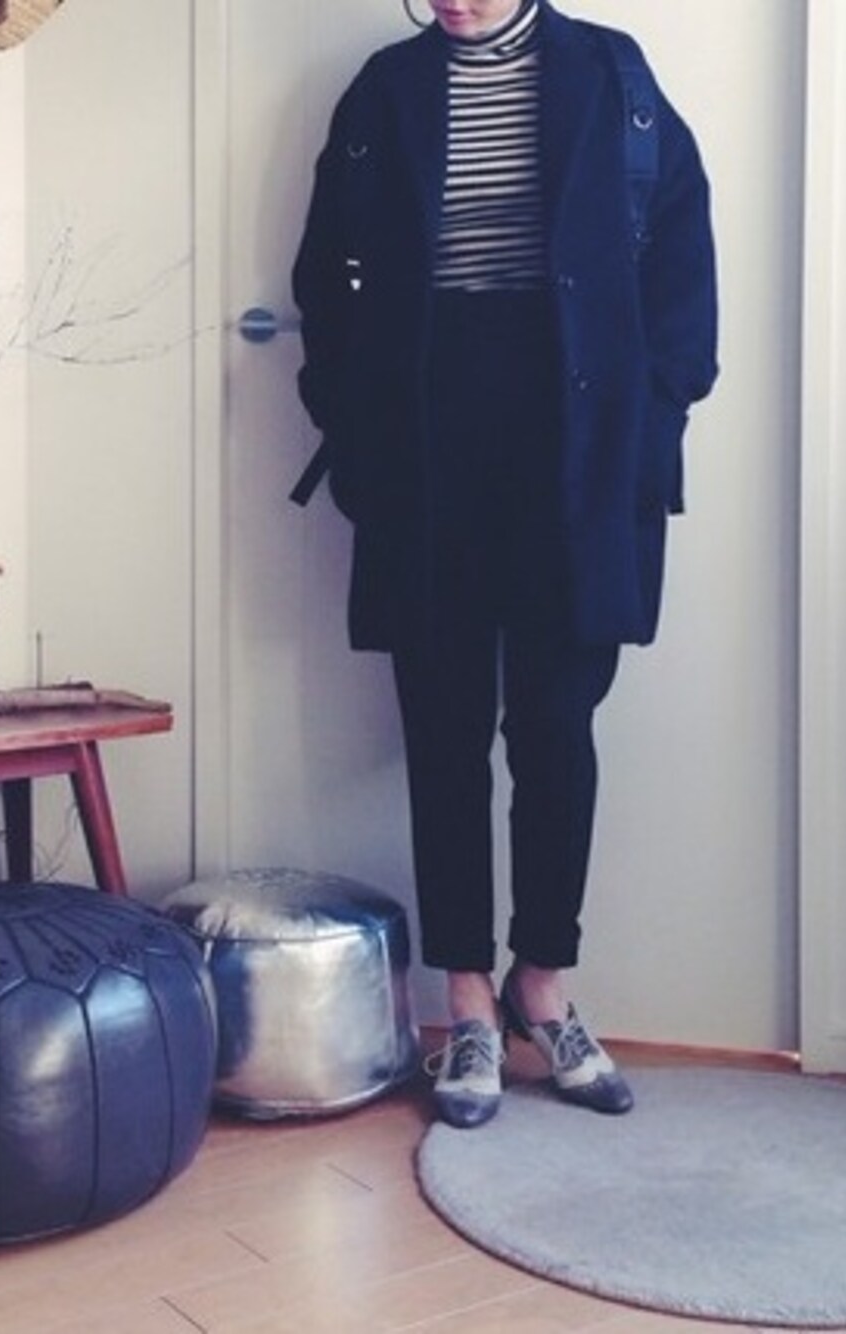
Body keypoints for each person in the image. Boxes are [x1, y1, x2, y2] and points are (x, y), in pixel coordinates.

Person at [291, 0, 718, 1128]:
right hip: (429, 444)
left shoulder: (611, 72)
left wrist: (660, 403)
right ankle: (468, 1001)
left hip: (576, 442)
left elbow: (682, 247)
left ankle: (545, 984)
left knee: (556, 727)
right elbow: (324, 272)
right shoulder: (385, 88)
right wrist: (348, 414)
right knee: (441, 730)